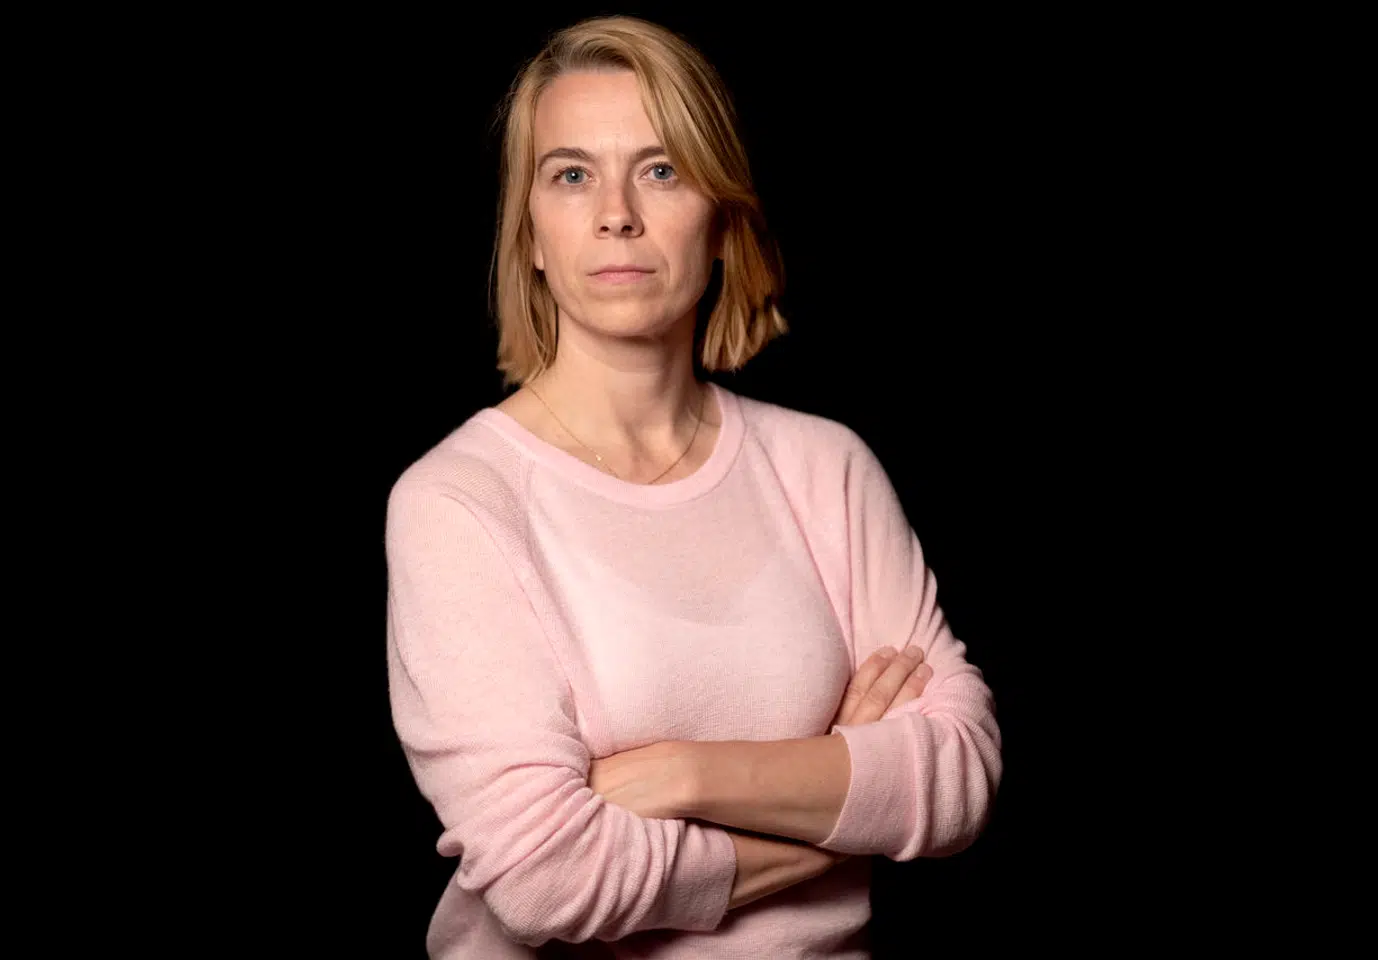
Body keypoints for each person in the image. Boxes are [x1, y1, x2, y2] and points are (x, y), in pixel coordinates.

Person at [385, 15, 1002, 958]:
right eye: (572, 175)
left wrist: (685, 774)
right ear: (532, 235)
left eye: (662, 170)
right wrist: (841, 794)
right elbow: (546, 878)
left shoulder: (824, 467)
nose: (617, 213)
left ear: (721, 221)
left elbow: (959, 774)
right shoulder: (458, 500)